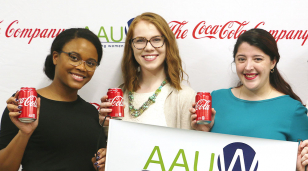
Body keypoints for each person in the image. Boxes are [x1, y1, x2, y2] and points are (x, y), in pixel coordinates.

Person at [190, 28, 308, 171]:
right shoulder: (216, 99)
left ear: (272, 62)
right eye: (241, 59)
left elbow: (300, 165)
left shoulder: (293, 110)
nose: (248, 67)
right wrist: (202, 132)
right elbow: (200, 160)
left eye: (257, 59)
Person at [95, 12, 195, 170]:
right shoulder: (119, 94)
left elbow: (189, 158)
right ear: (131, 47)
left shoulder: (184, 95)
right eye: (140, 41)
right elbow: (116, 153)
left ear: (167, 44)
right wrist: (105, 129)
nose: (148, 47)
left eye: (156, 40)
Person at [0, 28, 106, 171]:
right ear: (55, 57)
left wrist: (104, 162)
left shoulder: (92, 112)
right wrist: (24, 133)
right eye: (74, 57)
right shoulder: (24, 105)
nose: (82, 67)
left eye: (91, 63)